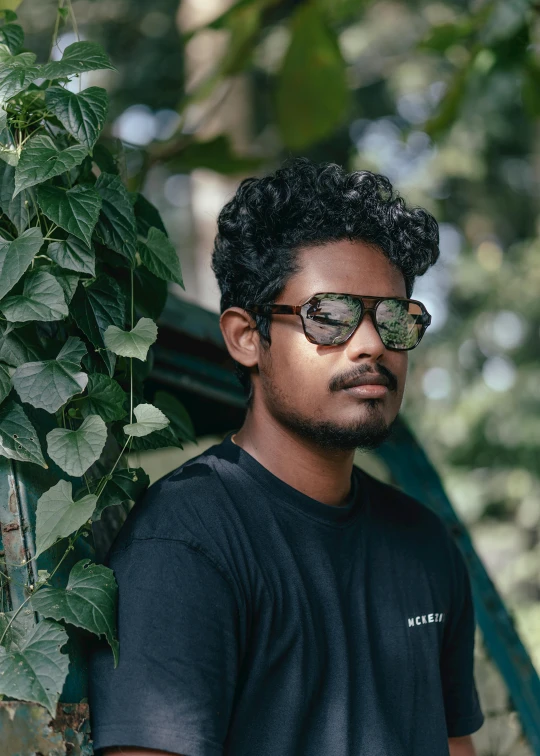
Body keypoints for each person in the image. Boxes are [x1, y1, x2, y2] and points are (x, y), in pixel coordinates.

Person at [89, 158, 484, 756]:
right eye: (330, 316)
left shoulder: (426, 544)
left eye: (395, 318)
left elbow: (454, 746)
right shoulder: (184, 546)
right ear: (247, 337)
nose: (373, 343)